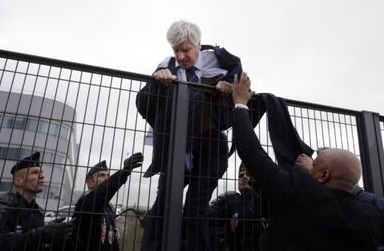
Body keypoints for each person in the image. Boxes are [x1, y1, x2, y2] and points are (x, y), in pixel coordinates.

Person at [231, 72, 384, 250]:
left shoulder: (298, 190)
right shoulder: (370, 217)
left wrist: (240, 102)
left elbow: (252, 152)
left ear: (324, 175)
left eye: (315, 162)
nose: (309, 163)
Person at [136, 20, 242, 251]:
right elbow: (144, 103)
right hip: (177, 145)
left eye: (186, 50)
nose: (181, 56)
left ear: (198, 45)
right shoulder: (166, 65)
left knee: (197, 207)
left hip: (210, 143)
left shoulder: (220, 61)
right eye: (176, 50)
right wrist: (157, 82)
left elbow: (241, 89)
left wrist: (227, 90)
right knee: (165, 202)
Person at [0, 152, 73, 251]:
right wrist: (40, 235)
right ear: (18, 181)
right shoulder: (1, 203)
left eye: (41, 173)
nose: (42, 176)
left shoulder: (37, 211)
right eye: (35, 172)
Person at [72, 152, 143, 251]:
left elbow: (112, 238)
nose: (107, 178)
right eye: (102, 175)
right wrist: (123, 173)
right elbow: (102, 192)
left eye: (108, 175)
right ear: (90, 183)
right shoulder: (86, 201)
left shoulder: (108, 207)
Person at [207, 163, 267, 251]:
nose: (244, 177)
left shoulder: (266, 203)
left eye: (249, 174)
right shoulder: (230, 199)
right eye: (241, 175)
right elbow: (208, 218)